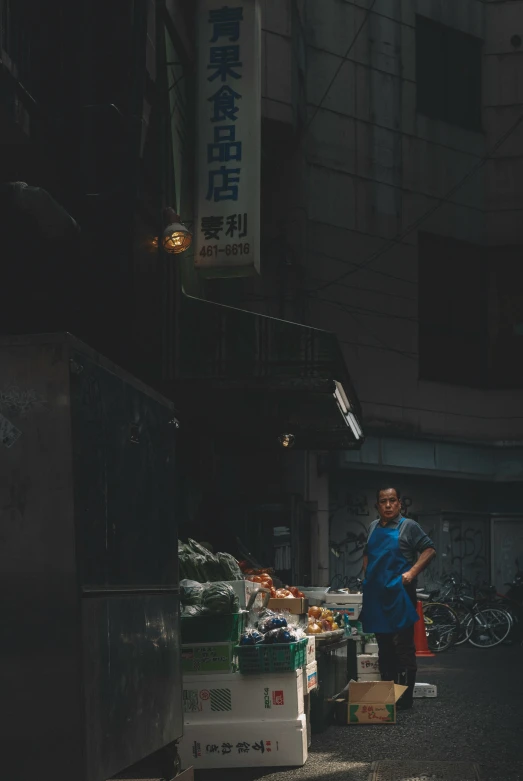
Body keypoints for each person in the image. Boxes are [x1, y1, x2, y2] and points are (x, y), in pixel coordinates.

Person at [360, 486, 436, 709]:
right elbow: (367, 553)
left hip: (400, 594)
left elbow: (429, 550)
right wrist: (368, 576)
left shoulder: (408, 526)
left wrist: (412, 573)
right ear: (377, 505)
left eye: (392, 500)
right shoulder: (373, 526)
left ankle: (405, 699)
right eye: (383, 501)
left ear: (400, 503)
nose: (388, 505)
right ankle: (388, 695)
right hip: (377, 596)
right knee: (384, 646)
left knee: (402, 645)